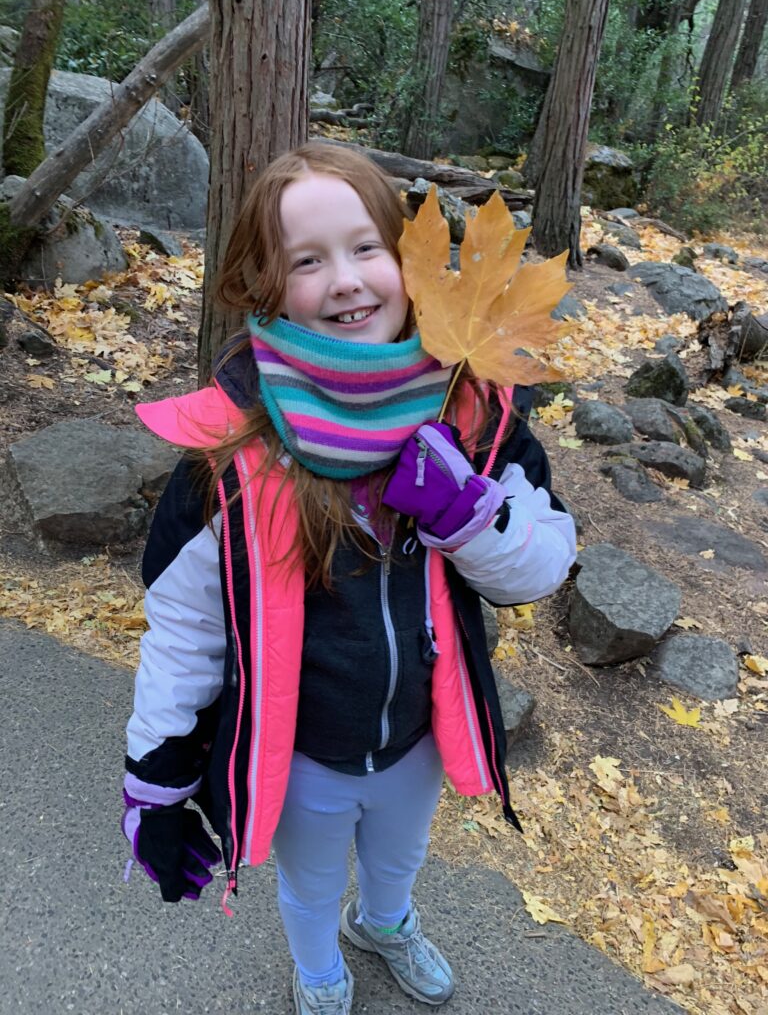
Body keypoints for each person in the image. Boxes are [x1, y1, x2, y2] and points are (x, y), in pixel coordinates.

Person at [121, 142, 576, 1014]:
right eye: (307, 260)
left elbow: (543, 566)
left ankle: (386, 922)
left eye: (366, 247)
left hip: (415, 740)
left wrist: (469, 510)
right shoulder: (230, 449)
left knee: (399, 859)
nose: (346, 281)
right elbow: (183, 630)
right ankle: (320, 967)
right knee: (310, 879)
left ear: (409, 260)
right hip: (303, 756)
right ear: (267, 282)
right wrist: (158, 774)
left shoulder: (472, 413)